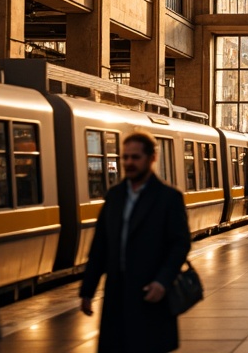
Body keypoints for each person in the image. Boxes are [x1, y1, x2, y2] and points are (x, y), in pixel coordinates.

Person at [79, 131, 192, 353]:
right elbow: (100, 246)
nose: (129, 163)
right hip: (117, 292)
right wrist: (87, 290)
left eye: (135, 157)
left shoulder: (168, 197)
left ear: (152, 158)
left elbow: (180, 244)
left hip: (150, 292)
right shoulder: (114, 196)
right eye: (125, 157)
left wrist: (163, 281)